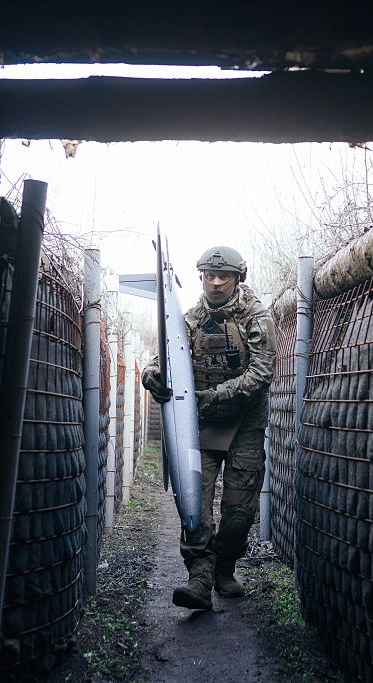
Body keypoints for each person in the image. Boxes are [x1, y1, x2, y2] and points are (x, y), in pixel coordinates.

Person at [141, 246, 277, 610]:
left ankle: (224, 570)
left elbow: (262, 373)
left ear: (237, 278)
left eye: (224, 276)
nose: (216, 283)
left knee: (238, 513)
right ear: (200, 277)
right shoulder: (188, 320)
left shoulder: (256, 318)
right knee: (194, 504)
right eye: (209, 276)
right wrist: (151, 373)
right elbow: (163, 356)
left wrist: (214, 396)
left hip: (245, 424)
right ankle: (199, 578)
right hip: (200, 426)